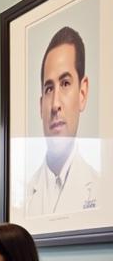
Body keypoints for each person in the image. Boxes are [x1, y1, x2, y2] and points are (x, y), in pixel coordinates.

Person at [24, 26, 99, 216]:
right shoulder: (23, 198)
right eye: (49, 89)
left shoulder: (102, 188)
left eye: (65, 83)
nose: (55, 104)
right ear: (41, 105)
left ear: (82, 94)